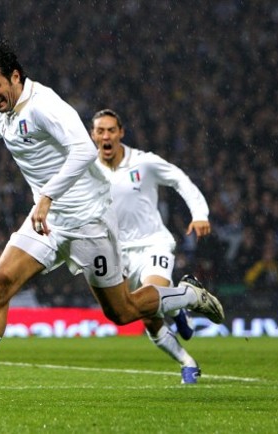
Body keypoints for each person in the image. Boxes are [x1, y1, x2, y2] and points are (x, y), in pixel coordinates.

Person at [0, 40, 224, 404]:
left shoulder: (44, 105)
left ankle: (189, 295)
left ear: (15, 76)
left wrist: (47, 196)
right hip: (47, 223)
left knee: (122, 311)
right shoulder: (3, 114)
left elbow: (83, 148)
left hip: (89, 221)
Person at [91, 109, 211, 384]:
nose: (106, 136)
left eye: (111, 130)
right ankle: (187, 361)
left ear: (121, 132)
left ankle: (178, 301)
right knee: (147, 317)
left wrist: (200, 213)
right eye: (100, 131)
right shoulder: (87, 169)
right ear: (93, 135)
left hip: (152, 245)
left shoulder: (144, 163)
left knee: (151, 295)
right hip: (116, 255)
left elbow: (179, 179)